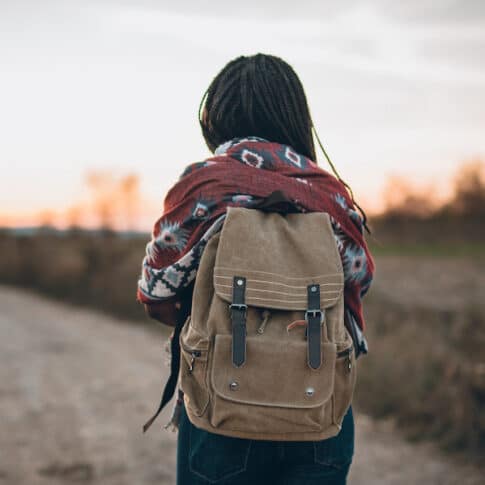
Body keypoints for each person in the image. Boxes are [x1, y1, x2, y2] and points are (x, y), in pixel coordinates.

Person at [137, 53, 375, 485]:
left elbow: (155, 291)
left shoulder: (203, 185)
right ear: (295, 116)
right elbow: (358, 282)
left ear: (216, 119)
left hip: (222, 417)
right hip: (319, 410)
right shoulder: (333, 195)